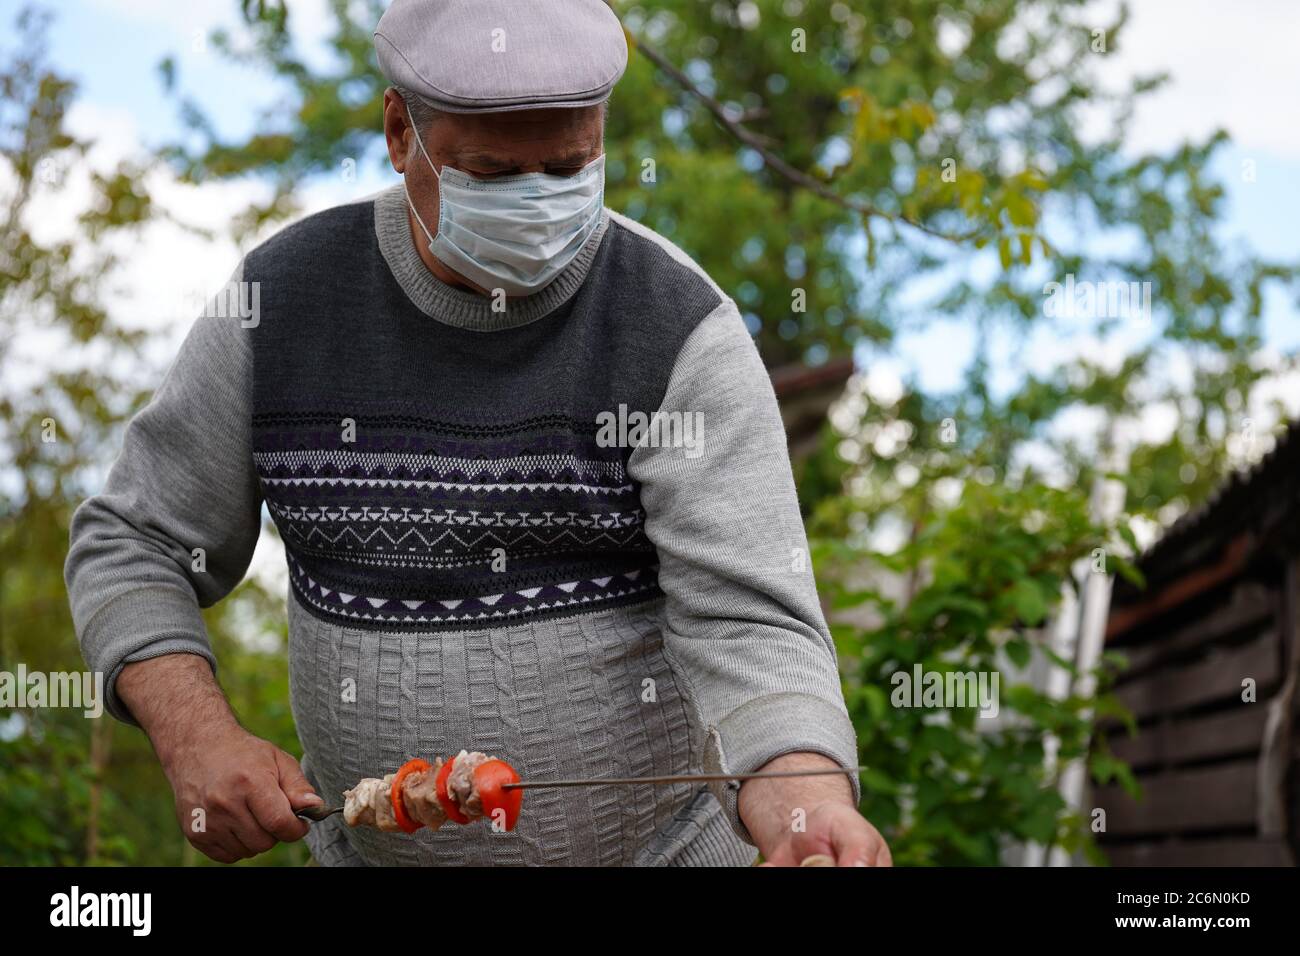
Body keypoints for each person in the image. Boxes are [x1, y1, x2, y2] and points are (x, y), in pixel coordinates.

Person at [65, 0, 890, 867]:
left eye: (570, 167)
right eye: (493, 174)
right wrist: (194, 736)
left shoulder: (674, 326)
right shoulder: (281, 305)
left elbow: (750, 618)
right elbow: (133, 541)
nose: (538, 205)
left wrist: (805, 797)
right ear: (398, 131)